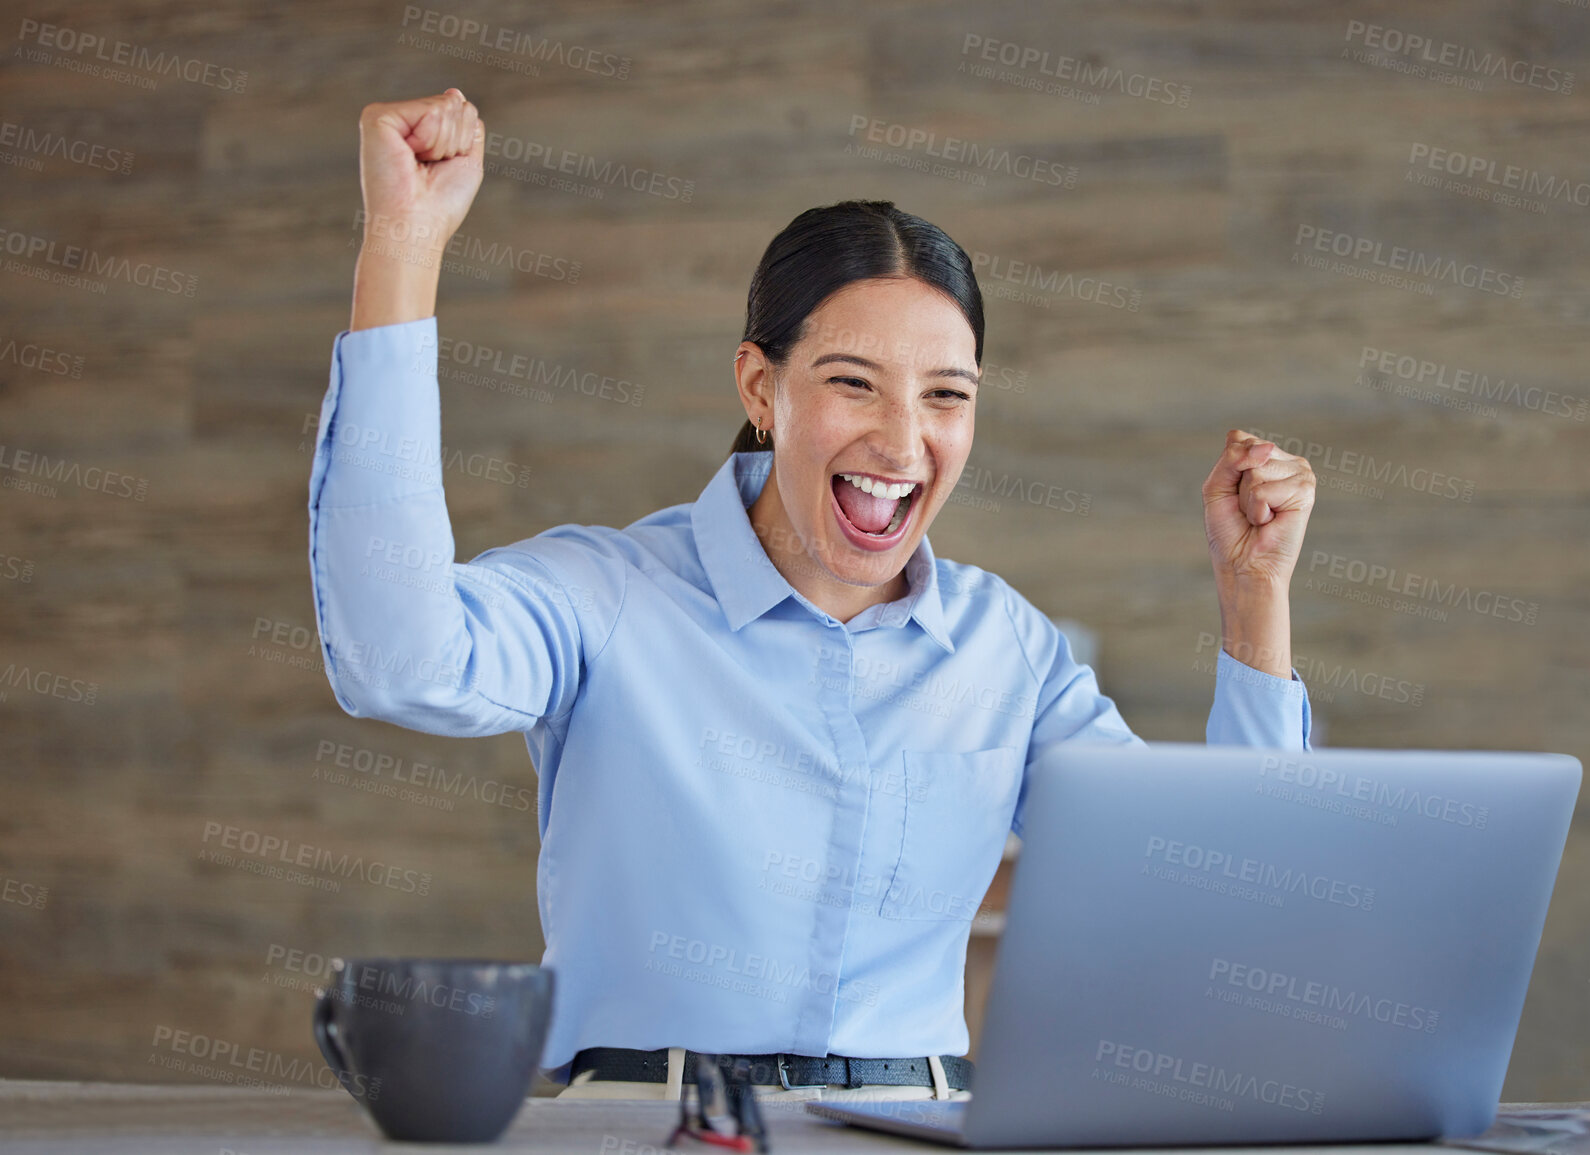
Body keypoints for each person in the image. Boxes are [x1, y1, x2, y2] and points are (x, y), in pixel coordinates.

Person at [309, 88, 1318, 1106]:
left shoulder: (1004, 648)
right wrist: (404, 244)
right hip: (647, 1125)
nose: (901, 440)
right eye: (853, 383)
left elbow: (1213, 896)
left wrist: (1253, 599)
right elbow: (395, 659)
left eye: (946, 396)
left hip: (915, 1125)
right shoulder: (605, 595)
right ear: (760, 388)